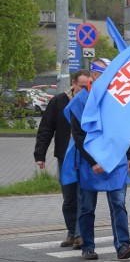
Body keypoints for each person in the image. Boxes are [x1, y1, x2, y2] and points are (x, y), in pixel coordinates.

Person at [63, 59, 130, 261]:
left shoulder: (116, 99)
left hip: (115, 159)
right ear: (94, 76)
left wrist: (129, 155)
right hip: (90, 163)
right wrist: (92, 161)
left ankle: (122, 245)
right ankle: (88, 246)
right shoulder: (79, 101)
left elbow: (123, 130)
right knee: (87, 207)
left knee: (118, 204)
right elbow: (78, 136)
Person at [34, 69, 90, 248]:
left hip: (85, 157)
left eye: (89, 86)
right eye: (82, 86)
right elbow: (46, 129)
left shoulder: (92, 102)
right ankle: (72, 233)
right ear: (73, 85)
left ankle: (81, 235)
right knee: (69, 197)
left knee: (83, 196)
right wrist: (40, 155)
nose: (86, 89)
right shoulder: (59, 101)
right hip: (65, 157)